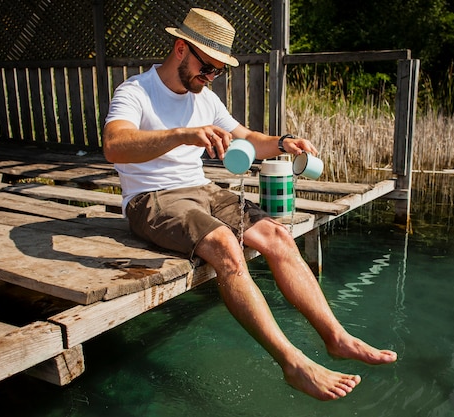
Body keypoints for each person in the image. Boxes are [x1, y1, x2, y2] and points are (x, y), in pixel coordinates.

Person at [102, 8, 397, 401]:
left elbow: (245, 137)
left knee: (278, 235)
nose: (210, 78)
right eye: (206, 68)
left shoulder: (204, 98)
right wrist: (180, 135)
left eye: (217, 72)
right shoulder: (135, 91)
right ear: (179, 50)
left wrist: (283, 142)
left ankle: (336, 337)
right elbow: (114, 146)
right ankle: (293, 363)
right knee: (225, 244)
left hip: (201, 189)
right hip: (151, 199)